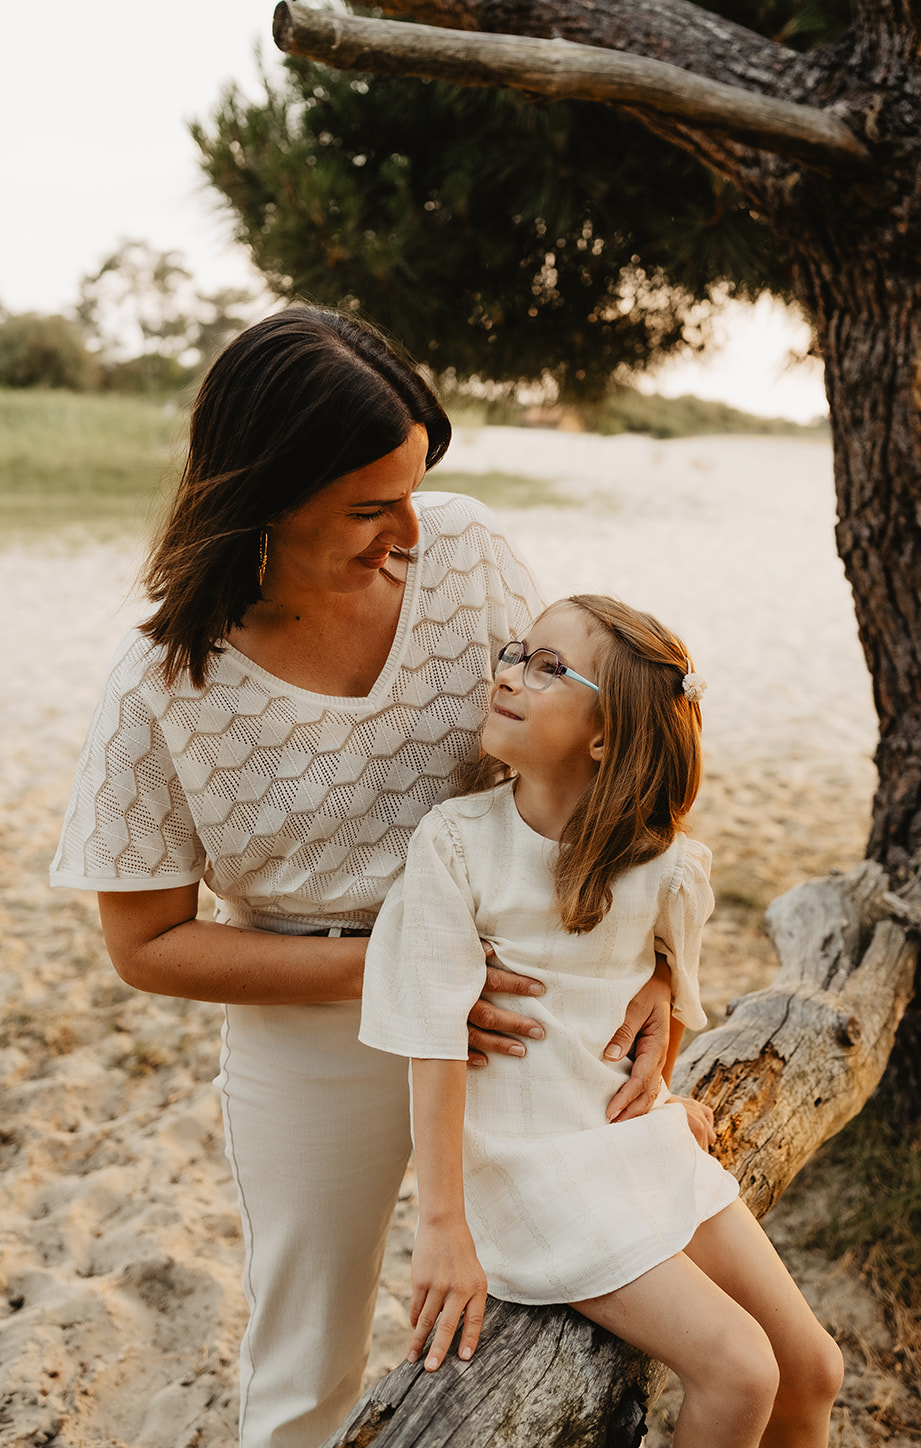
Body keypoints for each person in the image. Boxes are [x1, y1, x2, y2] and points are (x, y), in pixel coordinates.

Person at [48, 308, 676, 1448]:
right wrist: (397, 974)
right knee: (303, 1370)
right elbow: (143, 946)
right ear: (264, 497)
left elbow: (609, 750)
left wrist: (651, 969)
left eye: (413, 489)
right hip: (310, 1026)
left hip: (520, 1004)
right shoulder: (160, 686)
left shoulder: (468, 551)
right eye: (365, 507)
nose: (405, 531)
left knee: (605, 1299)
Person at [359, 595, 844, 1448]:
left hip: (626, 1138)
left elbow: (657, 1003)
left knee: (811, 1372)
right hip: (531, 1166)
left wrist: (660, 1089)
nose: (508, 674)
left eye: (549, 669)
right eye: (517, 654)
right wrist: (442, 1227)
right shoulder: (456, 843)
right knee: (740, 1372)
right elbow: (430, 1038)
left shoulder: (664, 867)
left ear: (605, 735)